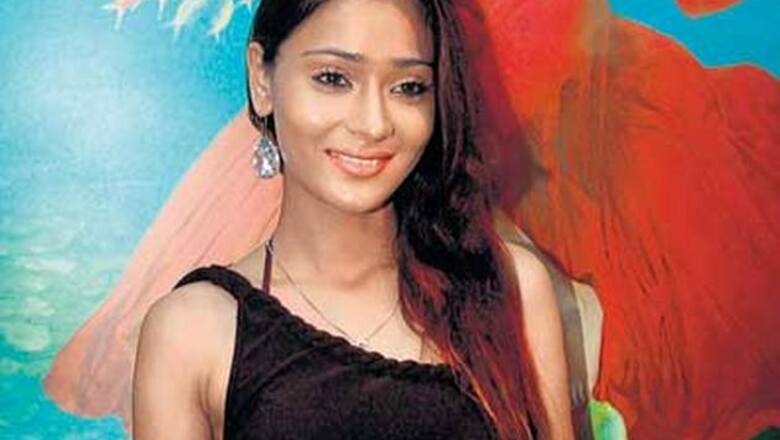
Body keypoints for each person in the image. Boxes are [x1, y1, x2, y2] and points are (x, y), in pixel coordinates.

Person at [132, 0, 574, 438]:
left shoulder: (511, 289)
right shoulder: (193, 331)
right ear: (262, 79)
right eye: (333, 78)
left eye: (409, 87)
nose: (373, 124)